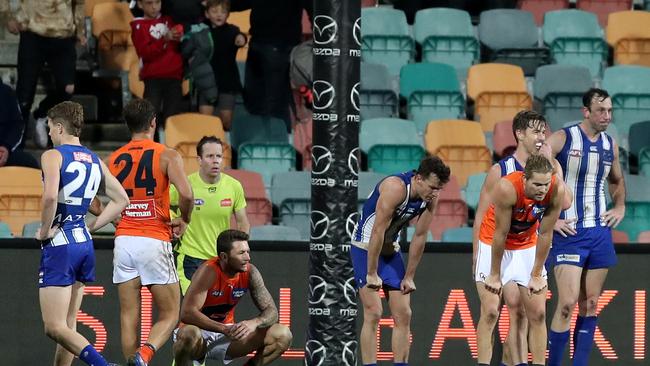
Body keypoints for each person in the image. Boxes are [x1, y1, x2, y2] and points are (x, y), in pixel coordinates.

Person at [473, 110, 572, 366]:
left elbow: (565, 202)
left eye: (544, 131)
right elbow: (485, 218)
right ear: (520, 134)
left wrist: (552, 167)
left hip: (527, 243)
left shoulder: (551, 168)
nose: (542, 137)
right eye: (536, 131)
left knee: (535, 312)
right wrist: (479, 258)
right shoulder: (502, 172)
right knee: (499, 309)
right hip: (496, 243)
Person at [37, 101, 129, 366]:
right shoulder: (94, 159)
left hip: (60, 244)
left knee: (53, 327)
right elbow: (122, 199)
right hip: (84, 243)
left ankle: (102, 364)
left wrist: (44, 231)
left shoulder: (53, 155)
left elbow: (50, 197)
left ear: (59, 127)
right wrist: (92, 226)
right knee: (68, 325)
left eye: (50, 128)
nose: (50, 134)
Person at [107, 98, 194, 365]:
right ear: (154, 123)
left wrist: (118, 222)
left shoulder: (112, 159)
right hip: (154, 238)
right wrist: (184, 219)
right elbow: (187, 194)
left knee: (128, 315)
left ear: (127, 125)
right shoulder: (167, 154)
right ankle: (144, 355)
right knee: (170, 313)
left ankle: (133, 362)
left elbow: (100, 203)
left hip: (123, 241)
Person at [546, 88, 626, 366]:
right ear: (586, 112)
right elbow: (535, 172)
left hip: (599, 232)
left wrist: (620, 206)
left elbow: (616, 180)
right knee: (566, 304)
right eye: (601, 110)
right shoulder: (563, 138)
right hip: (569, 233)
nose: (607, 116)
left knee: (590, 304)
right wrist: (550, 219)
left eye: (610, 111)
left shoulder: (610, 145)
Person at [350, 155, 451, 366]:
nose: (434, 193)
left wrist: (409, 276)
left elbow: (420, 236)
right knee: (374, 311)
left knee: (404, 314)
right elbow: (377, 231)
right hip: (365, 249)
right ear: (419, 178)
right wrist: (371, 272)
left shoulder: (430, 198)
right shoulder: (395, 188)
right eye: (432, 187)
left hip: (391, 252)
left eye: (439, 189)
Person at [173, 229, 292, 366]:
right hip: (198, 334)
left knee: (282, 334)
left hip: (228, 335)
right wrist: (223, 329)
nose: (247, 258)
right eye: (241, 253)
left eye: (248, 251)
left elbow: (272, 312)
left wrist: (254, 323)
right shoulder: (208, 272)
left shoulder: (251, 272)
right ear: (224, 257)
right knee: (189, 335)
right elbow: (187, 314)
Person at [172, 135, 250, 295]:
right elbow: (161, 205)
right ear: (199, 160)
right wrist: (173, 220)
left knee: (216, 311)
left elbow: (243, 223)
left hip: (221, 260)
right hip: (191, 258)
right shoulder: (185, 185)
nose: (216, 161)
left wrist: (240, 251)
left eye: (219, 156)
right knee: (194, 311)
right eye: (210, 156)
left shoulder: (234, 186)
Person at [1, 0, 85, 148]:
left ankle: (41, 113)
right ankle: (18, 147)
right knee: (25, 96)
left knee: (68, 88)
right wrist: (7, 16)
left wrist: (80, 28)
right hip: (32, 31)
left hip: (63, 32)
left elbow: (79, 3)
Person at [231, 0, 312, 128]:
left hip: (279, 45)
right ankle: (263, 141)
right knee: (256, 100)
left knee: (274, 103)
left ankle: (278, 142)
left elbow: (313, 8)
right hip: (258, 43)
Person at [182, 0, 246, 130]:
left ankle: (224, 148)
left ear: (228, 14)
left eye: (223, 12)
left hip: (227, 82)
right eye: (215, 11)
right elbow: (186, 49)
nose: (219, 15)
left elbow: (241, 37)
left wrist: (242, 39)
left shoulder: (233, 30)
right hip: (206, 82)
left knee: (226, 121)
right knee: (205, 121)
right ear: (206, 13)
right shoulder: (199, 30)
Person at [131, 0, 184, 138]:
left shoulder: (170, 19)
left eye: (157, 2)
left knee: (172, 119)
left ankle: (170, 152)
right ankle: (151, 151)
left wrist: (180, 35)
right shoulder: (138, 25)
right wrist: (164, 40)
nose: (154, 7)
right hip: (153, 78)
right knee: (150, 118)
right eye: (149, 3)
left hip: (174, 76)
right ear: (140, 5)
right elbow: (145, 52)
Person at [0, 80, 39, 168]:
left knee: (29, 162)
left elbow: (17, 125)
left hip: (4, 150)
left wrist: (6, 148)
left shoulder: (7, 92)